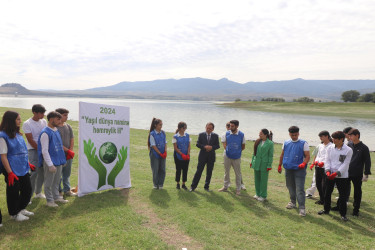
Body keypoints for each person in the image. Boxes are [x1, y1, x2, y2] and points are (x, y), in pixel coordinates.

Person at [0, 111, 34, 221]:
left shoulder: (18, 134)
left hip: (22, 167)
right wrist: (9, 172)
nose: (20, 121)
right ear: (11, 121)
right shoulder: (2, 136)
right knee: (13, 191)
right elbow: (3, 156)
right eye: (18, 119)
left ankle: (21, 208)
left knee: (27, 189)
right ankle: (14, 213)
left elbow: (22, 150)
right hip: (11, 168)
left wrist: (27, 163)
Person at [318, 131, 353, 221]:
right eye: (332, 138)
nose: (332, 140)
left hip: (342, 176)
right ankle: (326, 209)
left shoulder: (348, 150)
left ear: (341, 139)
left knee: (342, 195)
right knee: (327, 193)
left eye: (334, 138)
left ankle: (343, 214)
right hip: (329, 174)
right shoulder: (330, 148)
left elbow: (345, 164)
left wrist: (336, 173)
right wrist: (328, 171)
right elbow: (327, 160)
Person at [278, 126, 310, 217]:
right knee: (290, 186)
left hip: (299, 170)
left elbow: (307, 156)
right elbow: (282, 155)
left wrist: (304, 163)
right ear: (289, 134)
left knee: (299, 188)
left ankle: (302, 208)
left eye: (296, 135)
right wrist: (279, 165)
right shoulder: (286, 143)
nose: (294, 137)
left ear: (298, 134)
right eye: (292, 135)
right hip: (288, 169)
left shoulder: (304, 143)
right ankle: (292, 202)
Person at [37, 111, 67, 207]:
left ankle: (56, 197)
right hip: (51, 162)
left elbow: (59, 147)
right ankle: (49, 201)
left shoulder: (55, 130)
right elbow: (44, 151)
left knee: (57, 181)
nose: (60, 121)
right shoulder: (45, 133)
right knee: (49, 182)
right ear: (51, 119)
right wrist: (50, 164)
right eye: (58, 119)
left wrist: (63, 160)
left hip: (58, 161)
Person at [22, 104, 47, 200]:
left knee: (41, 171)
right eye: (41, 113)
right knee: (33, 173)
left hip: (43, 150)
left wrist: (44, 150)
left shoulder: (44, 121)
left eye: (44, 113)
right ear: (34, 112)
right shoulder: (27, 123)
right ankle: (28, 196)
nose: (43, 115)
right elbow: (30, 140)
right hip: (33, 150)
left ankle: (38, 192)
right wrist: (41, 150)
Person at [347, 128, 371, 216]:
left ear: (357, 135)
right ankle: (340, 206)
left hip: (357, 173)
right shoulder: (349, 144)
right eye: (349, 135)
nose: (349, 137)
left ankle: (356, 210)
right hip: (346, 171)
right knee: (344, 189)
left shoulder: (364, 148)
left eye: (351, 135)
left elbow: (367, 161)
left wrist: (366, 174)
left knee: (357, 191)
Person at [190, 122, 220, 192]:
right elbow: (197, 144)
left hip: (211, 156)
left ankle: (206, 187)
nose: (208, 129)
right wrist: (204, 147)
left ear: (213, 129)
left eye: (210, 128)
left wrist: (211, 147)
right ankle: (193, 187)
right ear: (205, 127)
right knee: (199, 171)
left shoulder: (215, 136)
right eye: (207, 128)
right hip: (202, 156)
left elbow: (218, 146)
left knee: (209, 172)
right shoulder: (201, 135)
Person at [219, 120, 246, 195]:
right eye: (230, 126)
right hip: (227, 156)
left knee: (238, 173)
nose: (230, 127)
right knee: (226, 172)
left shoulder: (241, 135)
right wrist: (229, 151)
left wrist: (236, 151)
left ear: (237, 126)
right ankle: (225, 186)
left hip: (237, 157)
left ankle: (238, 189)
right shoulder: (226, 134)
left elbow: (243, 146)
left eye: (232, 126)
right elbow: (224, 144)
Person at [55, 108, 76, 197]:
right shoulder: (55, 128)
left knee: (67, 173)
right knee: (58, 173)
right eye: (65, 115)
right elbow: (57, 143)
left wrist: (70, 150)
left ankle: (67, 190)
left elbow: (72, 138)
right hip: (59, 154)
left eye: (67, 115)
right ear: (58, 116)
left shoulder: (68, 126)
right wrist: (67, 150)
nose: (67, 117)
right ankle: (59, 191)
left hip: (68, 154)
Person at [309, 131, 332, 205]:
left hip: (326, 168)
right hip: (318, 166)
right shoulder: (321, 145)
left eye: (322, 137)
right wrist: (315, 162)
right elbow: (318, 155)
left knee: (324, 185)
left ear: (327, 136)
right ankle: (321, 199)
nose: (320, 138)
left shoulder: (331, 146)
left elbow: (331, 158)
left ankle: (325, 200)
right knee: (318, 183)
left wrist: (324, 163)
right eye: (320, 137)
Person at [250, 129, 274, 202]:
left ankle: (263, 195)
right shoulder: (258, 141)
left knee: (263, 180)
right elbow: (254, 153)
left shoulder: (270, 143)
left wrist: (269, 165)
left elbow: (270, 155)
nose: (259, 135)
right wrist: (252, 161)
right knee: (257, 179)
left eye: (261, 134)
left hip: (264, 164)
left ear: (265, 135)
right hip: (256, 163)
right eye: (259, 133)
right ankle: (257, 194)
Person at [148, 118, 167, 189]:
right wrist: (160, 153)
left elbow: (165, 143)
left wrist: (165, 152)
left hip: (162, 154)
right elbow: (153, 145)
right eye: (160, 125)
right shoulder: (152, 134)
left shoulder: (163, 133)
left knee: (162, 169)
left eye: (162, 125)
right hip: (155, 155)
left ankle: (161, 184)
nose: (161, 126)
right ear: (155, 125)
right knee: (155, 169)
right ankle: (155, 185)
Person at [172, 122, 191, 190]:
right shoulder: (175, 137)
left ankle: (183, 184)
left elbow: (189, 145)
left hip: (186, 156)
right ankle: (178, 183)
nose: (185, 129)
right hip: (178, 156)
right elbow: (175, 148)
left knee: (185, 170)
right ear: (180, 128)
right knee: (178, 170)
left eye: (185, 127)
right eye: (184, 127)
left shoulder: (188, 135)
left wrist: (188, 153)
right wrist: (181, 154)